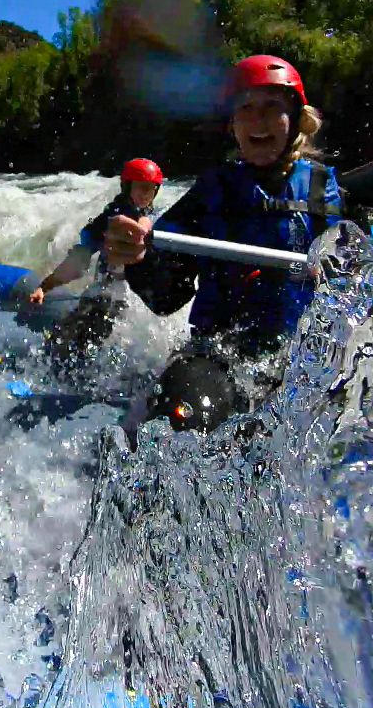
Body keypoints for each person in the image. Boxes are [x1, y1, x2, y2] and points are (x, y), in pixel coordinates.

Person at [103, 55, 343, 432]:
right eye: (245, 109)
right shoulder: (211, 192)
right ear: (232, 126)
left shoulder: (325, 193)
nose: (258, 120)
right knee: (177, 424)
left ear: (296, 120)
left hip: (304, 360)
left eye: (272, 108)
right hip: (219, 354)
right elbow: (166, 295)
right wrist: (137, 257)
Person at [27, 157, 165, 355]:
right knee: (69, 342)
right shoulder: (112, 218)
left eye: (151, 188)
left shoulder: (150, 216)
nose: (147, 194)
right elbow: (78, 261)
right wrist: (44, 287)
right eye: (141, 187)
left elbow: (145, 224)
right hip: (104, 298)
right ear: (127, 187)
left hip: (130, 299)